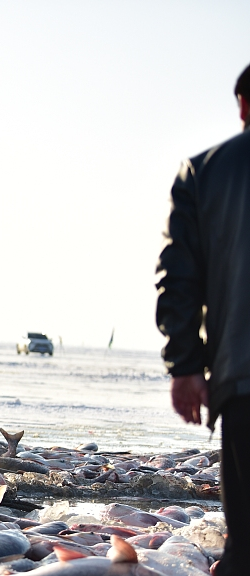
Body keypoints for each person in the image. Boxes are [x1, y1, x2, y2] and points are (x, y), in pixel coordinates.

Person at [156, 62, 250, 576]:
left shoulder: (205, 171)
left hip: (243, 380)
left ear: (243, 105)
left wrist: (186, 365)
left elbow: (180, 277)